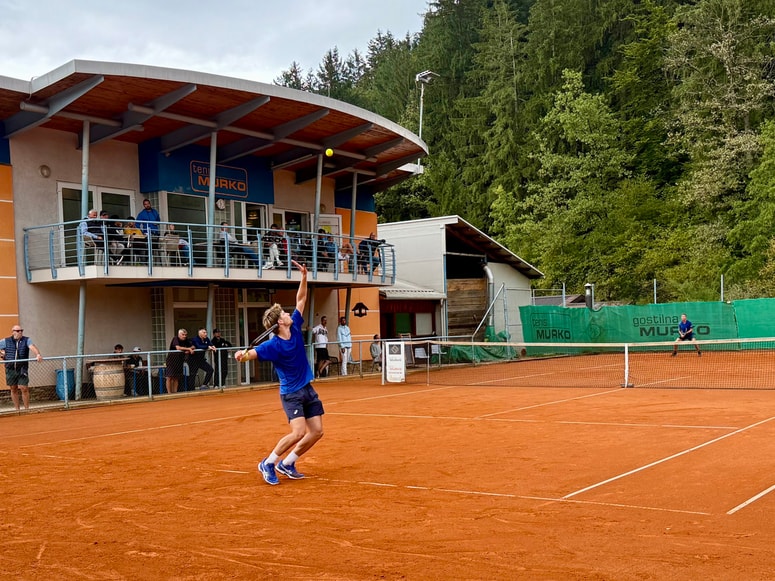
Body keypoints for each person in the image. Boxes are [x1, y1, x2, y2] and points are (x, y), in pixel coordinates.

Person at [235, 261, 324, 485]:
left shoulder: (294, 326)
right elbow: (251, 354)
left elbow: (301, 299)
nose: (288, 313)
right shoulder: (272, 345)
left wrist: (304, 277)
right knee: (298, 432)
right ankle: (268, 462)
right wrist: (241, 356)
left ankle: (288, 463)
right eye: (284, 313)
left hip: (307, 388)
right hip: (291, 393)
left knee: (317, 431)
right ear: (278, 323)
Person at [0, 325, 43, 411]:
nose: (20, 332)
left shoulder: (26, 340)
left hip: (22, 368)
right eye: (18, 331)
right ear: (13, 332)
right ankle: (17, 410)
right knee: (13, 388)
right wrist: (2, 353)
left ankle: (26, 409)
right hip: (10, 368)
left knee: (24, 388)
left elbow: (32, 347)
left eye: (21, 330)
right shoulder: (5, 341)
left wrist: (38, 354)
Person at [165, 329, 195, 393]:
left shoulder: (186, 340)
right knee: (169, 377)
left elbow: (193, 346)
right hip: (171, 360)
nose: (184, 336)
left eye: (185, 335)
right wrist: (188, 349)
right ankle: (169, 393)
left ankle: (175, 392)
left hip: (180, 360)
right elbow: (178, 348)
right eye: (183, 335)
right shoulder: (175, 338)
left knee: (176, 377)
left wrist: (189, 350)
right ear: (179, 335)